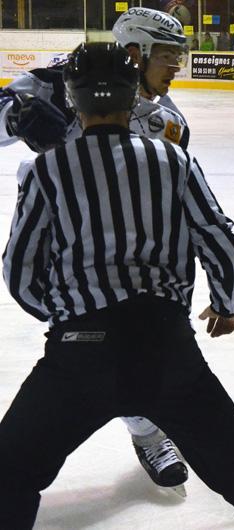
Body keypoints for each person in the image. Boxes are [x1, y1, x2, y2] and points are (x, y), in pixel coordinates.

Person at [0, 41, 234, 530]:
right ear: (133, 95)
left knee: (10, 472)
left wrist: (69, 316)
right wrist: (226, 304)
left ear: (72, 99)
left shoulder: (48, 169)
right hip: (165, 349)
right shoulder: (173, 160)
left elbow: (20, 270)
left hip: (78, 357)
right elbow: (218, 239)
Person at [0, 6, 191, 493]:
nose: (176, 66)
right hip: (55, 243)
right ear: (136, 52)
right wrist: (15, 117)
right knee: (86, 348)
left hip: (123, 252)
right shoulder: (62, 80)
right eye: (168, 56)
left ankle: (144, 431)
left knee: (122, 342)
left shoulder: (168, 122)